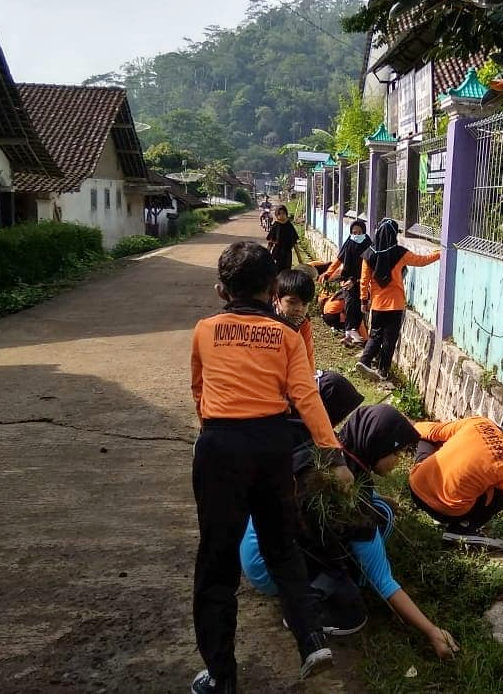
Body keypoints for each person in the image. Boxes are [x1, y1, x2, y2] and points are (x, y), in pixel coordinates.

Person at [189, 241, 352, 692]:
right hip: (272, 446)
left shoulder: (204, 330)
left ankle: (222, 677)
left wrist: (216, 440)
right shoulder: (286, 335)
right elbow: (306, 397)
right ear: (270, 288)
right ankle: (311, 640)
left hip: (221, 446)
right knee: (282, 548)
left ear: (223, 290)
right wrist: (334, 455)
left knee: (216, 565)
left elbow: (199, 392)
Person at [240, 404, 461, 660]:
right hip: (268, 569)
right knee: (352, 614)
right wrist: (431, 631)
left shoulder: (331, 452)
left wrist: (381, 499)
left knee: (379, 510)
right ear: (378, 444)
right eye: (397, 452)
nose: (398, 461)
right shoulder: (348, 502)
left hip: (256, 542)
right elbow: (384, 581)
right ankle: (304, 611)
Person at [408, 416, 503, 578]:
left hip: (416, 487)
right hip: (445, 511)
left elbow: (430, 430)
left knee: (432, 437)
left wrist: (405, 431)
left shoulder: (480, 423)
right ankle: (463, 527)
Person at [355, 218, 440, 381]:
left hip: (378, 304)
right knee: (390, 338)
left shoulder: (368, 254)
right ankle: (383, 370)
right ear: (394, 234)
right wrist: (440, 254)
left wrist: (363, 301)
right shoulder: (400, 253)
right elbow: (422, 261)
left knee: (375, 334)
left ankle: (364, 360)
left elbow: (364, 280)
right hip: (396, 304)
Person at [319, 219, 371, 347]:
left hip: (361, 282)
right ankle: (351, 332)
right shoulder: (348, 244)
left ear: (364, 232)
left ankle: (352, 335)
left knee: (356, 307)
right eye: (354, 232)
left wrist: (356, 280)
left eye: (359, 232)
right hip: (347, 281)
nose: (356, 235)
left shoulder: (369, 247)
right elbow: (338, 260)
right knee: (351, 304)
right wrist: (328, 274)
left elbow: (368, 270)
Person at [274, 268, 317, 372]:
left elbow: (308, 362)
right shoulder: (265, 320)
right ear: (277, 299)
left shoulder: (303, 324)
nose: (299, 309)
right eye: (292, 302)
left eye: (304, 304)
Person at [266, 204, 300, 271]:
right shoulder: (275, 226)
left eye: (283, 213)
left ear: (286, 214)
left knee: (286, 274)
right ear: (276, 215)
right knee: (276, 273)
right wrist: (266, 256)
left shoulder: (289, 226)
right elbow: (270, 243)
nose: (281, 215)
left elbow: (294, 243)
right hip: (277, 254)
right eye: (279, 213)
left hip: (287, 255)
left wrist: (299, 258)